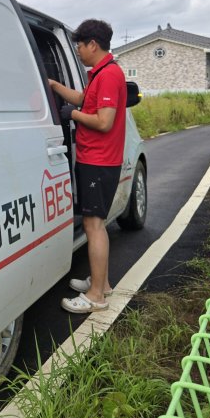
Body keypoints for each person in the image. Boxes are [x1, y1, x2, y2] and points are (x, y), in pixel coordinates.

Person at [49, 19, 126, 313]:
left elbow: (103, 121)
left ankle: (96, 296)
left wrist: (74, 115)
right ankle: (101, 282)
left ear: (92, 44)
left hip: (98, 161)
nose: (78, 51)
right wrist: (55, 86)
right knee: (97, 224)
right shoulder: (102, 72)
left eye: (79, 45)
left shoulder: (109, 76)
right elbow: (83, 98)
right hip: (98, 160)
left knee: (93, 225)